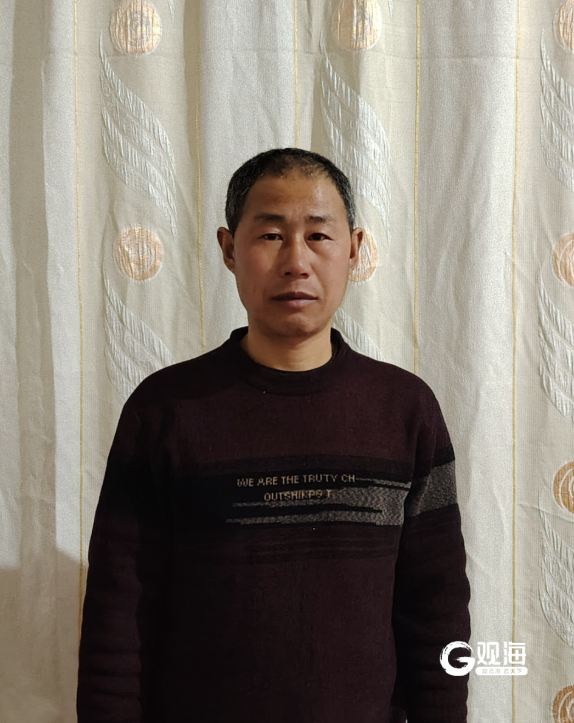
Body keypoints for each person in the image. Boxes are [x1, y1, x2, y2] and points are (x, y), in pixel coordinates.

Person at [77, 148, 471, 723]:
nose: (296, 262)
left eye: (319, 236)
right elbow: (118, 616)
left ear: (354, 249)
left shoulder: (405, 409)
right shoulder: (164, 411)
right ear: (228, 249)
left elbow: (438, 609)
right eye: (270, 236)